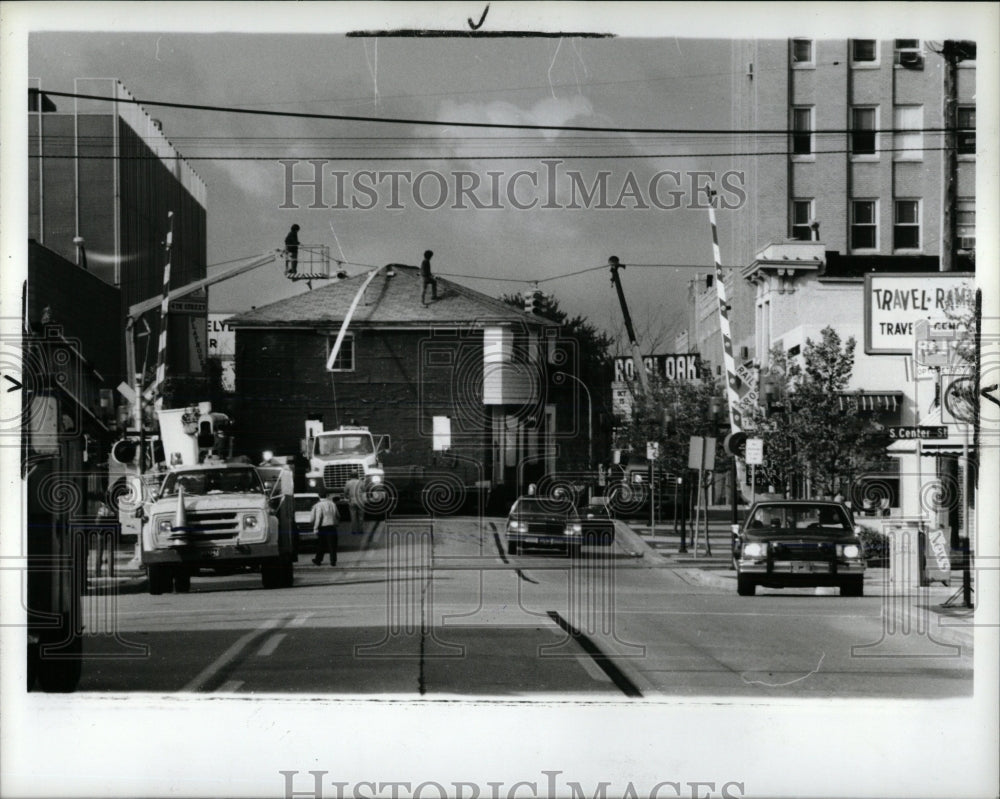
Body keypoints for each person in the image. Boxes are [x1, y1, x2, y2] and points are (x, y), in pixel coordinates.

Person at [310, 491, 340, 566]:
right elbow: (338, 515)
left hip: (323, 528)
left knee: (321, 544)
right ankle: (333, 561)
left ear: (319, 496)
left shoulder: (317, 505)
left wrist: (315, 528)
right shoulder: (333, 504)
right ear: (327, 495)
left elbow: (317, 517)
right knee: (332, 545)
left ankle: (318, 560)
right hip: (332, 527)